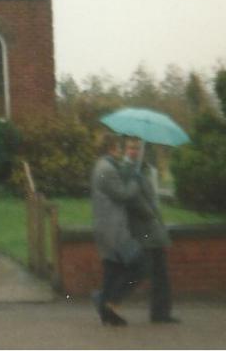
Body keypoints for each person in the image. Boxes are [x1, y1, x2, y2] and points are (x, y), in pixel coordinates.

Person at [123, 137, 180, 324]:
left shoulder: (146, 171)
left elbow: (152, 198)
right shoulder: (127, 171)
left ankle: (161, 312)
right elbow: (133, 200)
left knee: (160, 272)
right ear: (126, 150)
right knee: (140, 272)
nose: (135, 151)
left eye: (138, 148)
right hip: (142, 229)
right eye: (131, 148)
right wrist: (150, 213)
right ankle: (106, 300)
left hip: (154, 228)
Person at [90, 133, 144, 326]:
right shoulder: (106, 169)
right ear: (111, 148)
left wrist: (130, 168)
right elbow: (123, 194)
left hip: (104, 229)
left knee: (112, 271)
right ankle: (111, 302)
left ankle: (106, 310)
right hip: (114, 231)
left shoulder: (103, 166)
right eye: (118, 148)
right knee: (140, 265)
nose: (121, 151)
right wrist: (136, 181)